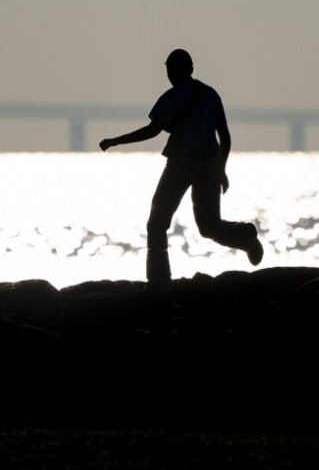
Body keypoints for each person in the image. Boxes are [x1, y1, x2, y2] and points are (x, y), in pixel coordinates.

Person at [99, 48, 264, 293]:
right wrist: (221, 169)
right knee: (209, 226)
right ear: (191, 68)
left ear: (173, 70)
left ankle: (159, 284)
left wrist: (115, 141)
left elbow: (152, 131)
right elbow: (225, 137)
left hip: (181, 163)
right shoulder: (210, 94)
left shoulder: (171, 97)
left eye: (168, 69)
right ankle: (246, 237)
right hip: (209, 161)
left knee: (157, 224)